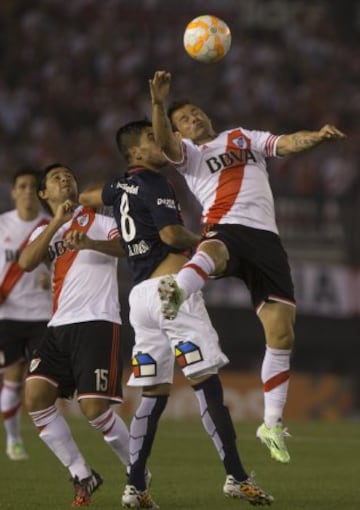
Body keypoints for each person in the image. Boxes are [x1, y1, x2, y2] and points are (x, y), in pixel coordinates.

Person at [149, 70, 346, 464]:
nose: (195, 119)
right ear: (179, 129)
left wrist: (317, 137)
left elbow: (285, 143)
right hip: (225, 225)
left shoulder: (242, 137)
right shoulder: (189, 154)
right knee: (217, 250)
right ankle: (178, 290)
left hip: (267, 242)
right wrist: (157, 103)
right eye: (185, 118)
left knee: (282, 332)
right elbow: (166, 143)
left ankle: (271, 424)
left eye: (197, 113)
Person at [79, 120, 274, 508]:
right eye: (153, 139)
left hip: (139, 298)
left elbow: (87, 196)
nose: (164, 144)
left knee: (153, 393)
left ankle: (135, 485)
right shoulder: (155, 183)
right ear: (135, 152)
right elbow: (170, 235)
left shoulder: (119, 186)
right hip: (171, 290)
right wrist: (207, 242)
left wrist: (82, 203)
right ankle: (236, 476)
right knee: (206, 383)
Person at [18, 163, 130, 507]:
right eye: (55, 178)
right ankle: (82, 474)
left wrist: (91, 242)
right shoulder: (44, 232)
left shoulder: (102, 219)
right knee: (36, 397)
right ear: (44, 194)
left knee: (94, 409)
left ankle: (136, 472)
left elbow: (128, 248)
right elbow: (25, 262)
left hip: (97, 320)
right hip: (58, 326)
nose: (65, 179)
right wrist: (57, 223)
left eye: (69, 175)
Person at [0, 167, 51, 461]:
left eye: (33, 186)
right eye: (23, 185)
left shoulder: (49, 225)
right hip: (9, 314)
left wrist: (52, 278)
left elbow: (67, 268)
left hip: (43, 314)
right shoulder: (3, 225)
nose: (28, 191)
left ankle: (48, 433)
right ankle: (14, 440)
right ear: (14, 191)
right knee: (13, 377)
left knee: (40, 382)